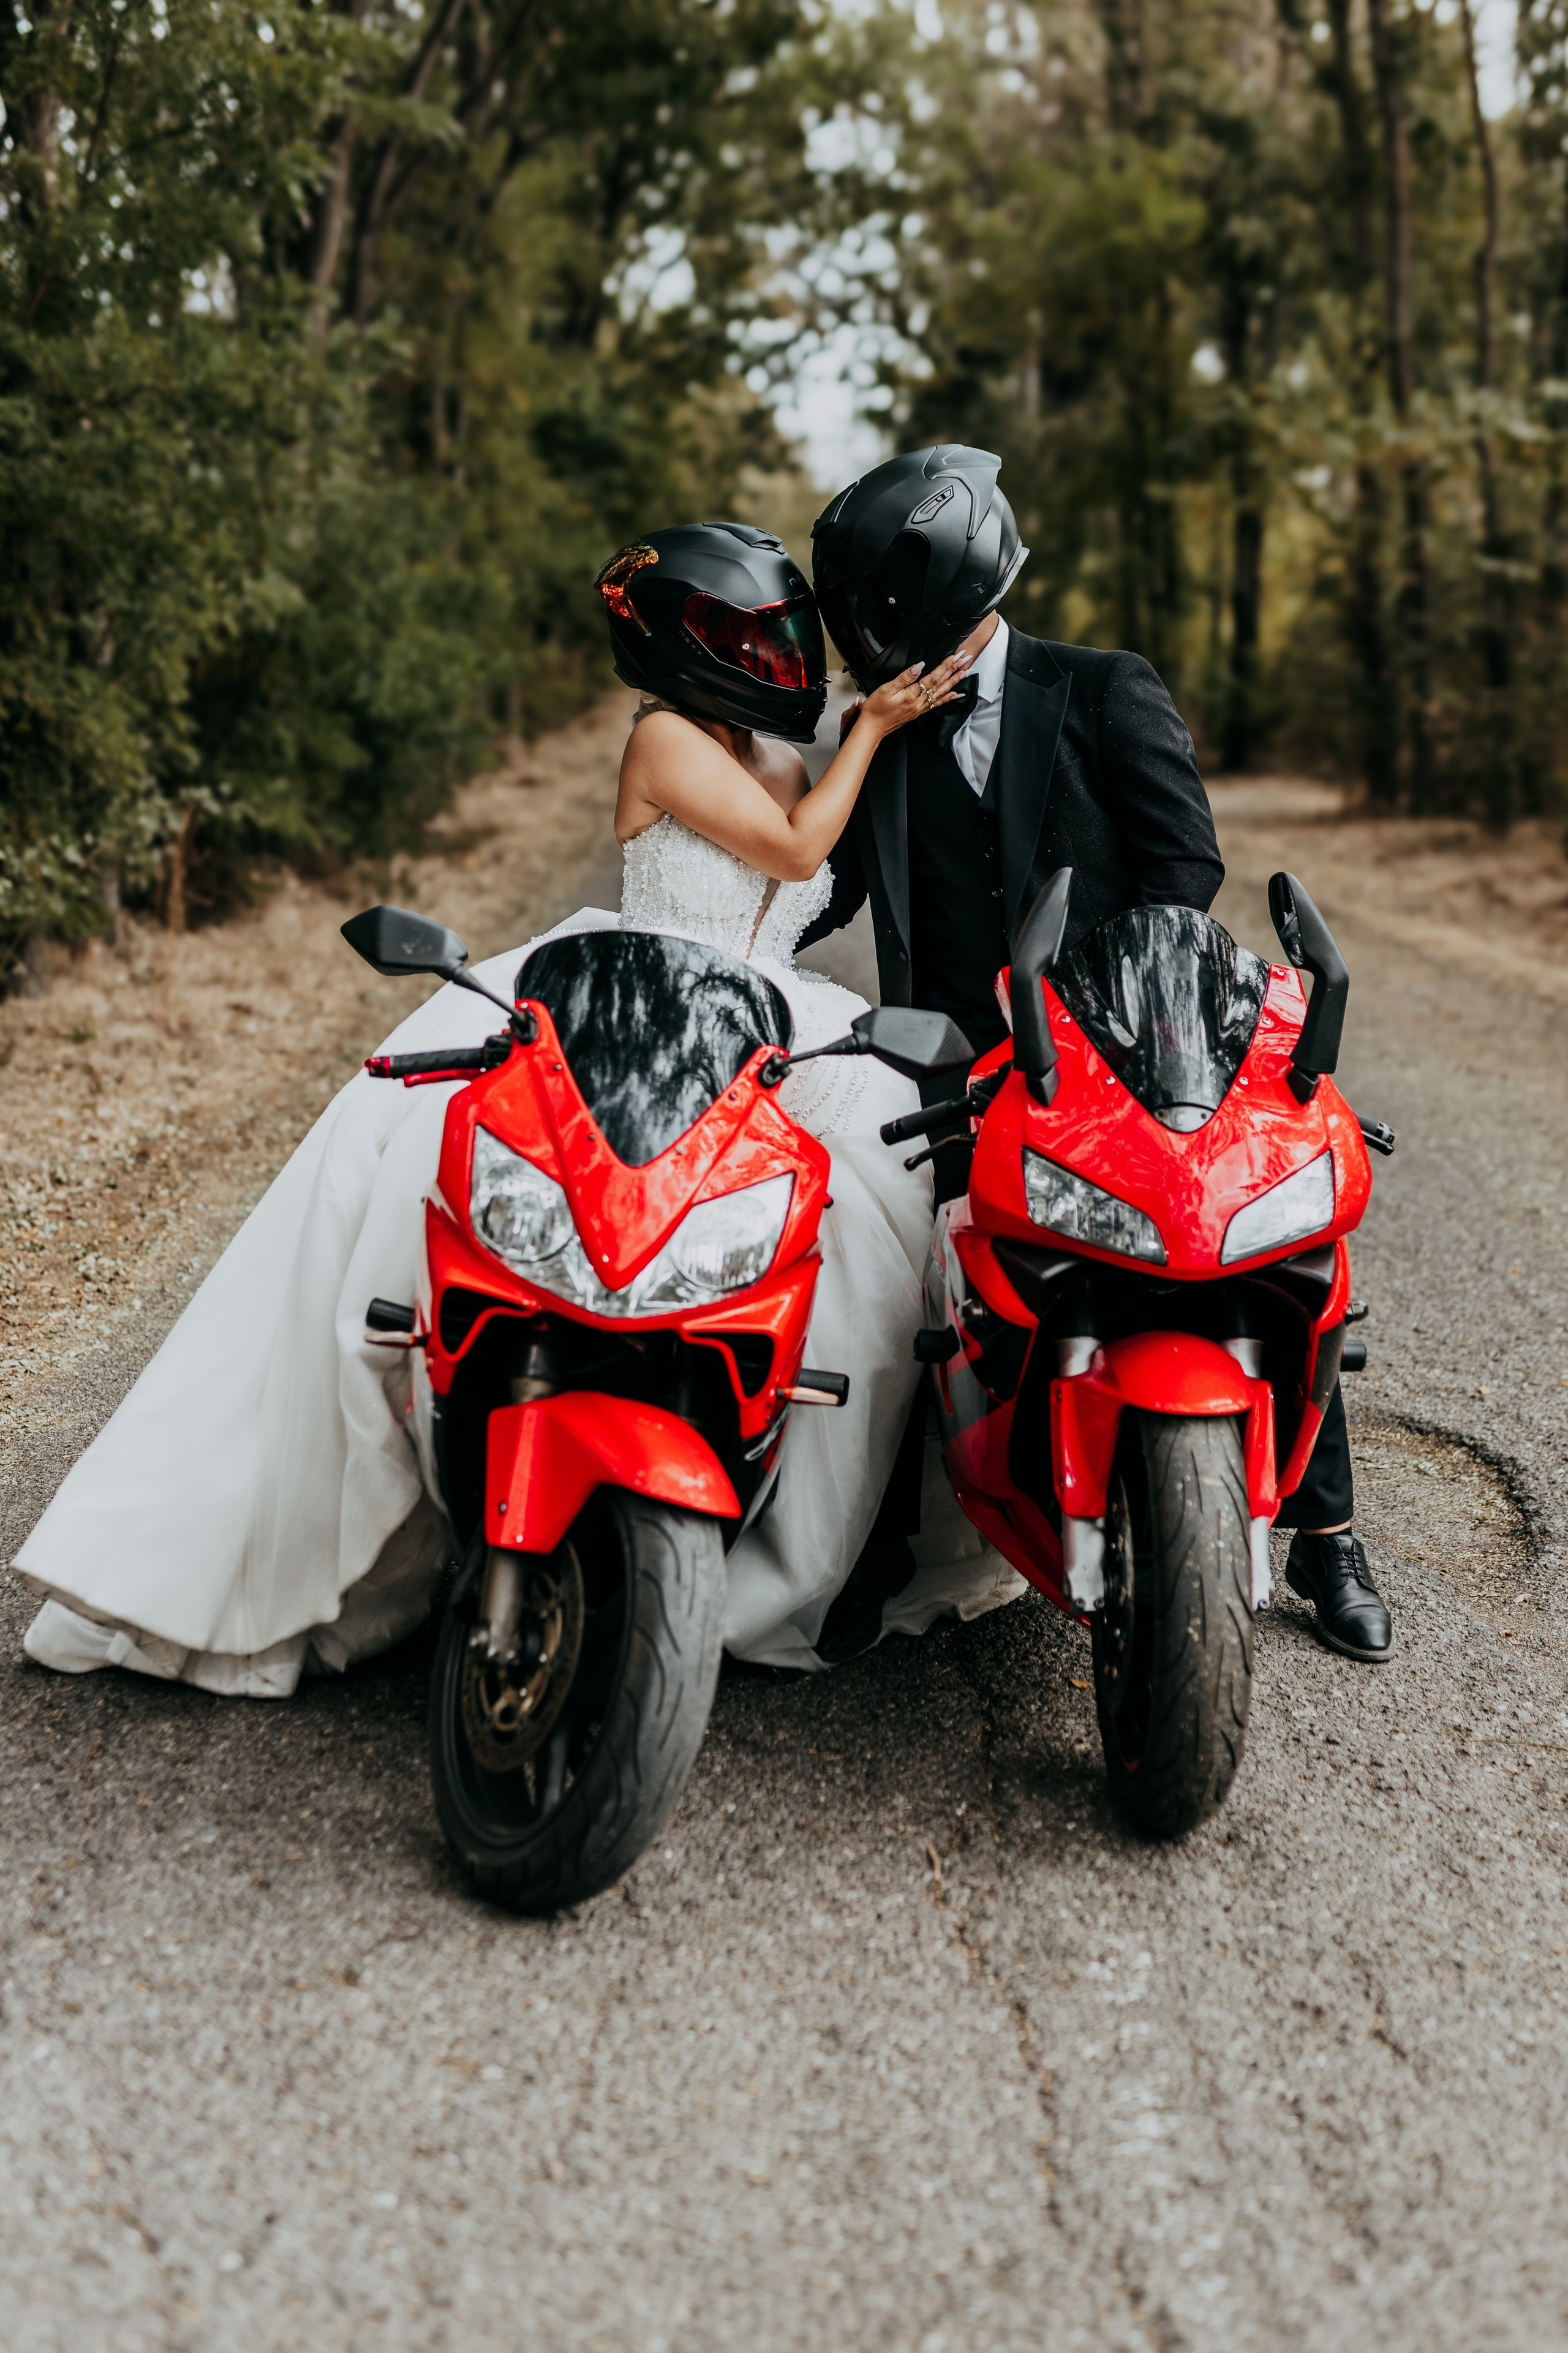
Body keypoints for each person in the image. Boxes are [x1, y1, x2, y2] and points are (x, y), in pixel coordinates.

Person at [13, 521, 1022, 1694]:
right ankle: (446, 1466)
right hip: (636, 998)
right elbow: (799, 855)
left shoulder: (784, 754)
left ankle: (807, 1542)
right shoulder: (663, 740)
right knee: (422, 1170)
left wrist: (900, 748)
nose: (779, 656)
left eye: (783, 636)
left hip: (760, 1021)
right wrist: (876, 730)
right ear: (691, 646)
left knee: (887, 1205)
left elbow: (819, 873)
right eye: (754, 635)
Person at [804, 444, 1391, 1664]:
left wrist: (1098, 1014)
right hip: (949, 1062)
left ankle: (1325, 1532)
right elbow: (833, 887)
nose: (879, 663)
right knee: (896, 1256)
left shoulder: (1104, 685)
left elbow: (1185, 866)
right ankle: (882, 1540)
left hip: (1123, 1040)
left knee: (1264, 1245)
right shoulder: (882, 730)